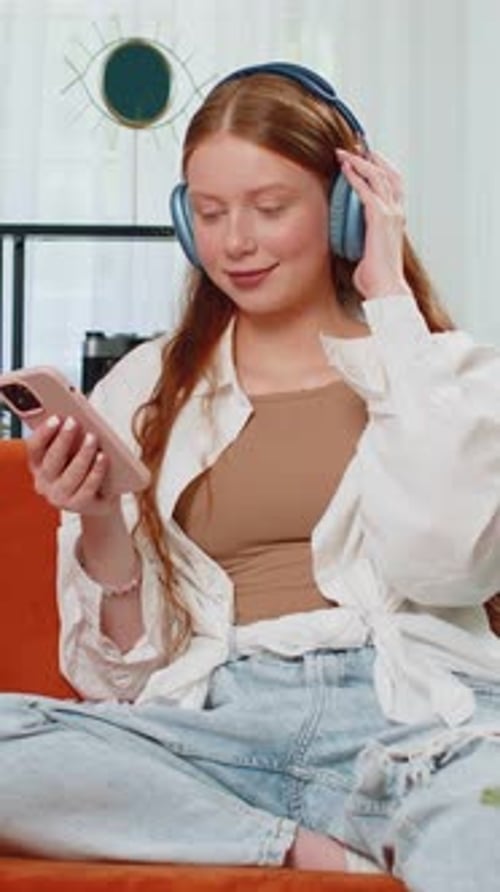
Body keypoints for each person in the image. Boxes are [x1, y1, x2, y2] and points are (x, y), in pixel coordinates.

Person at [1, 60, 500, 891]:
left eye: (270, 209)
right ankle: (293, 843)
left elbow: (449, 564)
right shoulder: (146, 388)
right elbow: (117, 677)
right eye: (209, 212)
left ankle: (291, 829)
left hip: (414, 726)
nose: (235, 242)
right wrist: (95, 518)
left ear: (345, 209)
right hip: (219, 728)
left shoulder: (441, 374)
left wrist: (389, 301)